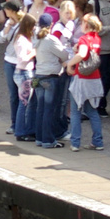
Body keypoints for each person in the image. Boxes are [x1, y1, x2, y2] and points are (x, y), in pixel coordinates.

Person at [65, 12, 106, 151]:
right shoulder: (97, 39)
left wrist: (69, 63)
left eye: (82, 22)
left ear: (86, 24)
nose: (80, 24)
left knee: (76, 111)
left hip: (81, 78)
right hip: (94, 78)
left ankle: (75, 142)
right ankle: (98, 141)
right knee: (92, 111)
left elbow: (82, 54)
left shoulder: (84, 39)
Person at [32, 13, 70, 147]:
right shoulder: (51, 39)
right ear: (51, 25)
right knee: (49, 109)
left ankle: (40, 138)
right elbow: (65, 55)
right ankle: (48, 140)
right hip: (50, 77)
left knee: (40, 109)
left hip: (38, 75)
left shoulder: (35, 38)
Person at [0, 5, 35, 137]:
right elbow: (0, 39)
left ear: (12, 10)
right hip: (11, 62)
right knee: (14, 96)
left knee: (22, 99)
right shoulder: (10, 23)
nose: (4, 11)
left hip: (20, 64)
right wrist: (8, 26)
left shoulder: (25, 23)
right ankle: (15, 125)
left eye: (6, 9)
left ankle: (20, 126)